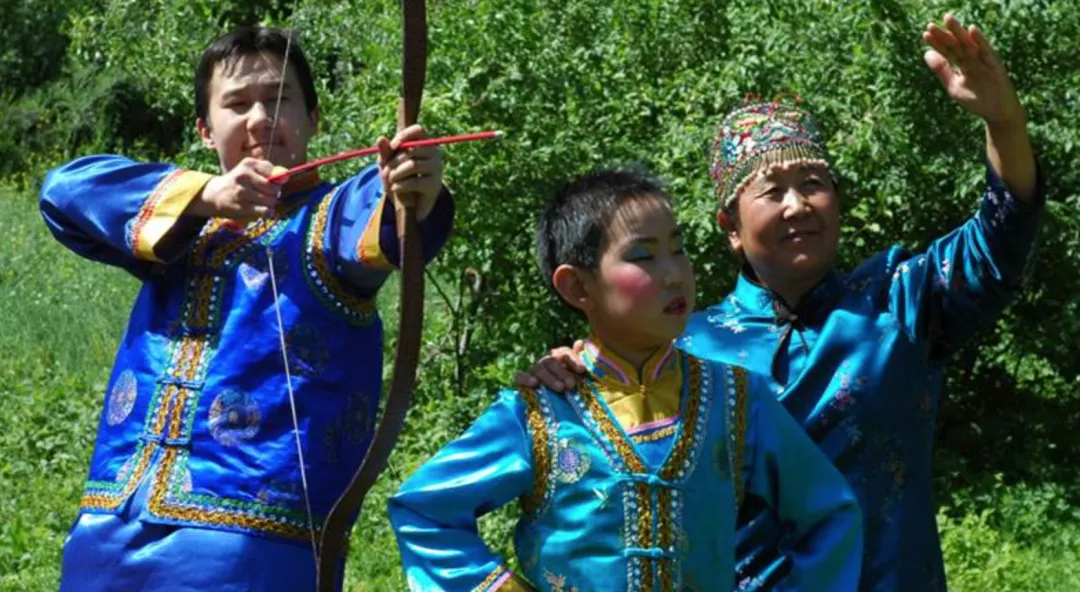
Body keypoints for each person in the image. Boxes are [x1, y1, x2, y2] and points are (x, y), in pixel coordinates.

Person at [516, 15, 1044, 591]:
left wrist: (1003, 121)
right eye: (771, 191)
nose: (797, 205)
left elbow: (1004, 231)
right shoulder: (679, 342)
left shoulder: (903, 303)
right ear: (731, 228)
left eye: (814, 182)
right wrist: (566, 376)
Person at [39, 25, 454, 591]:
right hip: (108, 531)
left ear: (314, 118)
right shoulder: (179, 225)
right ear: (206, 131)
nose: (260, 118)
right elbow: (62, 192)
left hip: (251, 548)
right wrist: (208, 196)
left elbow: (385, 214)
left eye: (279, 99)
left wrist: (410, 190)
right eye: (236, 104)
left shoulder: (330, 217)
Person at [388, 168, 862, 591]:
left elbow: (830, 514)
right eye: (644, 256)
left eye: (678, 249)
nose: (675, 273)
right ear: (577, 286)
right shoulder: (543, 409)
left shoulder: (738, 399)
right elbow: (423, 512)